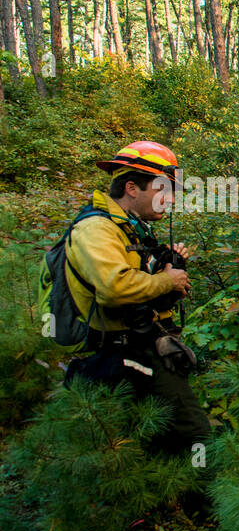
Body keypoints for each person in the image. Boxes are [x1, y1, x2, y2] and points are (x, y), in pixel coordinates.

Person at [63, 141, 211, 456]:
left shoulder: (131, 230)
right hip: (115, 354)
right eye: (163, 190)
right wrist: (164, 280)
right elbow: (114, 287)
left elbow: (141, 288)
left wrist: (168, 270)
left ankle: (172, 499)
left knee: (154, 440)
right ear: (132, 187)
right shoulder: (96, 229)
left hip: (140, 346)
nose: (170, 200)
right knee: (192, 435)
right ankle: (204, 502)